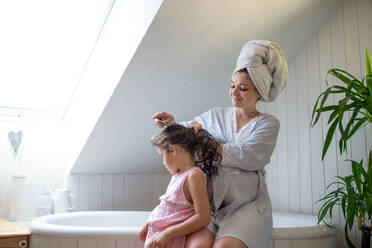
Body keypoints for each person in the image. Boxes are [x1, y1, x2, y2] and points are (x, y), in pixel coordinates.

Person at [152, 40, 288, 248]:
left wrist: (207, 139)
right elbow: (188, 130)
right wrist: (171, 123)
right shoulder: (215, 115)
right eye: (232, 86)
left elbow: (249, 156)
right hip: (210, 207)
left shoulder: (268, 124)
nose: (234, 93)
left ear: (259, 92)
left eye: (243, 88)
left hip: (247, 207)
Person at [139, 124, 221, 248]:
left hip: (171, 237)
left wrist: (167, 234)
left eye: (162, 156)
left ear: (173, 150)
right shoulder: (178, 175)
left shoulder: (193, 176)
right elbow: (169, 206)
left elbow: (203, 217)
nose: (163, 162)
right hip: (161, 233)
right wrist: (151, 222)